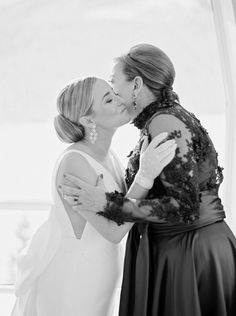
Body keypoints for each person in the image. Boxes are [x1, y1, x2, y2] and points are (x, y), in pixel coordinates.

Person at [61, 44, 236, 316]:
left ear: (137, 84)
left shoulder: (163, 121)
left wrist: (108, 203)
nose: (114, 94)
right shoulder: (163, 117)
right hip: (189, 247)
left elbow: (185, 207)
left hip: (189, 253)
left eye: (114, 83)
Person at [11, 76, 176, 316]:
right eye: (108, 99)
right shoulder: (74, 163)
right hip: (73, 283)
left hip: (100, 281)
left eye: (114, 93)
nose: (120, 100)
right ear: (88, 120)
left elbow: (122, 205)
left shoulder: (110, 157)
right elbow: (114, 231)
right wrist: (145, 176)